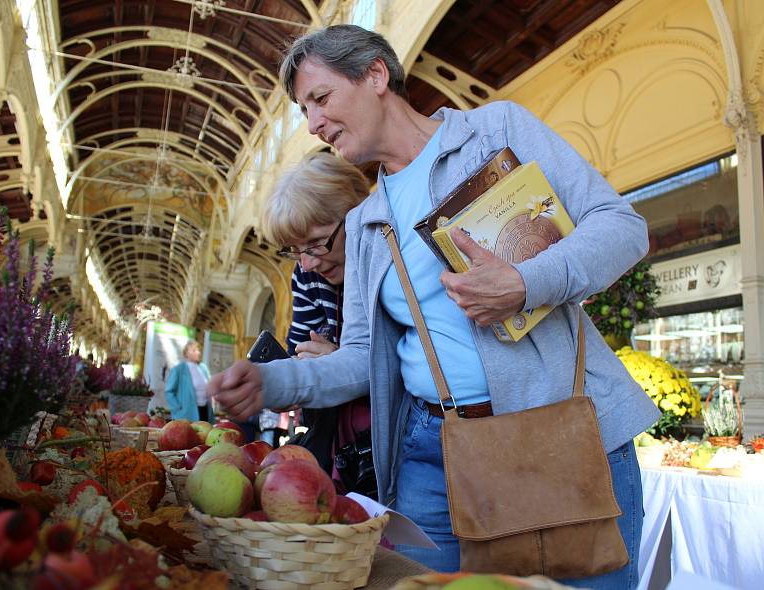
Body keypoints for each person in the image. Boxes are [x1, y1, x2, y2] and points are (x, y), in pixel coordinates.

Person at [208, 25, 660, 586]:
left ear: (376, 74)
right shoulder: (366, 224)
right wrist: (269, 382)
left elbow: (622, 228)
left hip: (554, 435)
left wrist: (523, 282)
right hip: (430, 453)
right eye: (303, 111)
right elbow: (359, 358)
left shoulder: (495, 133)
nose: (313, 124)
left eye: (321, 99)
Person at [261, 152, 373, 493]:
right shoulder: (306, 275)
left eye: (316, 244)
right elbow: (299, 354)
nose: (307, 264)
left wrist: (337, 360)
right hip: (342, 446)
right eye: (295, 250)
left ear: (355, 217)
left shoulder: (384, 259)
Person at [165, 340, 214, 423]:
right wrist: (177, 407)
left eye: (198, 350)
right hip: (187, 413)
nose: (198, 353)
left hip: (205, 410)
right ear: (186, 353)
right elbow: (169, 391)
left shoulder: (203, 368)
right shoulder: (178, 369)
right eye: (194, 350)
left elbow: (210, 386)